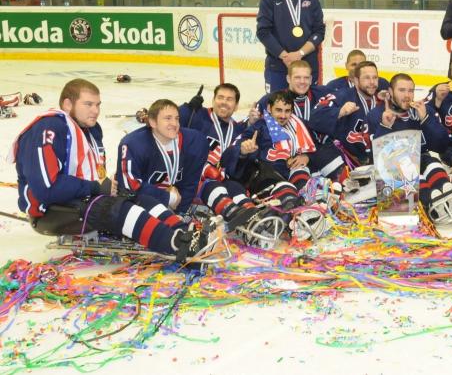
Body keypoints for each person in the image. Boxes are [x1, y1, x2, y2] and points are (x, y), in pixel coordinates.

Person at [11, 79, 213, 261]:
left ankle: (183, 229)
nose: (95, 111)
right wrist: (96, 187)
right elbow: (46, 189)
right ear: (67, 104)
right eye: (88, 104)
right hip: (50, 212)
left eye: (98, 105)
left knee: (138, 198)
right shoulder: (49, 128)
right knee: (116, 209)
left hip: (78, 200)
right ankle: (178, 244)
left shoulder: (90, 129)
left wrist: (105, 185)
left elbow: (93, 175)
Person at [119, 99, 265, 235]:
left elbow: (190, 182)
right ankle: (180, 234)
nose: (174, 123)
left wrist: (181, 210)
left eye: (176, 118)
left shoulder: (194, 140)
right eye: (167, 118)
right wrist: (167, 198)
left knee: (212, 184)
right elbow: (130, 187)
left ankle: (237, 213)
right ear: (152, 122)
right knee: (154, 213)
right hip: (148, 197)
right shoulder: (133, 144)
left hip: (179, 196)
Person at [235, 90, 330, 243]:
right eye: (278, 110)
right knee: (288, 192)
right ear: (269, 108)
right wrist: (244, 150)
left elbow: (316, 147)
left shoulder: (298, 124)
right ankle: (297, 218)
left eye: (287, 111)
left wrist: (306, 156)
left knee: (309, 176)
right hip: (269, 179)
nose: (283, 115)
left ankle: (308, 209)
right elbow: (239, 148)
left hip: (293, 174)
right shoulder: (259, 127)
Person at [367, 73, 452, 225]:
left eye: (411, 91)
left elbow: (443, 144)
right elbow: (376, 159)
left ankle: (445, 195)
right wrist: (385, 127)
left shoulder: (423, 111)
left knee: (432, 163)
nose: (407, 95)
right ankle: (430, 200)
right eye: (402, 90)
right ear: (390, 92)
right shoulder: (376, 115)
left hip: (421, 158)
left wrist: (426, 119)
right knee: (411, 171)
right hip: (395, 168)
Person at [253, 61, 345, 182]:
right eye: (297, 77)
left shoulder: (323, 94)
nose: (302, 81)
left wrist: (308, 156)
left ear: (311, 79)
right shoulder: (271, 99)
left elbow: (346, 96)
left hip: (318, 150)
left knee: (340, 172)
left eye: (306, 78)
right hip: (288, 155)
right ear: (288, 78)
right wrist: (250, 121)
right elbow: (253, 129)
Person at [256, 0, 325, 93]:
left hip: (307, 68)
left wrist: (299, 53)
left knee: (308, 110)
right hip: (279, 67)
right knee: (277, 109)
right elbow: (263, 32)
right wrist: (285, 56)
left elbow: (319, 32)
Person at [310, 61, 383, 166]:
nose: (372, 82)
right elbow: (314, 116)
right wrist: (340, 112)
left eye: (375, 78)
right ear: (356, 80)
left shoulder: (383, 101)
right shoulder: (341, 96)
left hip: (377, 160)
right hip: (347, 160)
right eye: (367, 78)